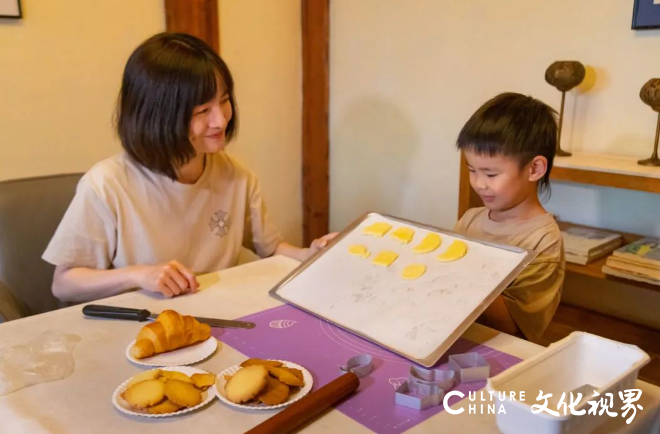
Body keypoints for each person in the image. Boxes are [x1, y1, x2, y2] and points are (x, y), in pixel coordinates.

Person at [43, 32, 335, 303]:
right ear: (157, 115)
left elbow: (272, 249)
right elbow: (65, 282)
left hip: (219, 317)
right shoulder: (107, 184)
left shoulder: (237, 177)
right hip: (139, 326)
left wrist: (310, 254)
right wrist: (140, 275)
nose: (220, 121)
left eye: (224, 101)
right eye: (202, 111)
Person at [453, 92, 565, 343]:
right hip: (454, 338)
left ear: (534, 169)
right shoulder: (471, 219)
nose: (479, 184)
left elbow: (512, 324)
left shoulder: (543, 240)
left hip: (497, 351)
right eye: (472, 170)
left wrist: (462, 272)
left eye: (491, 174)